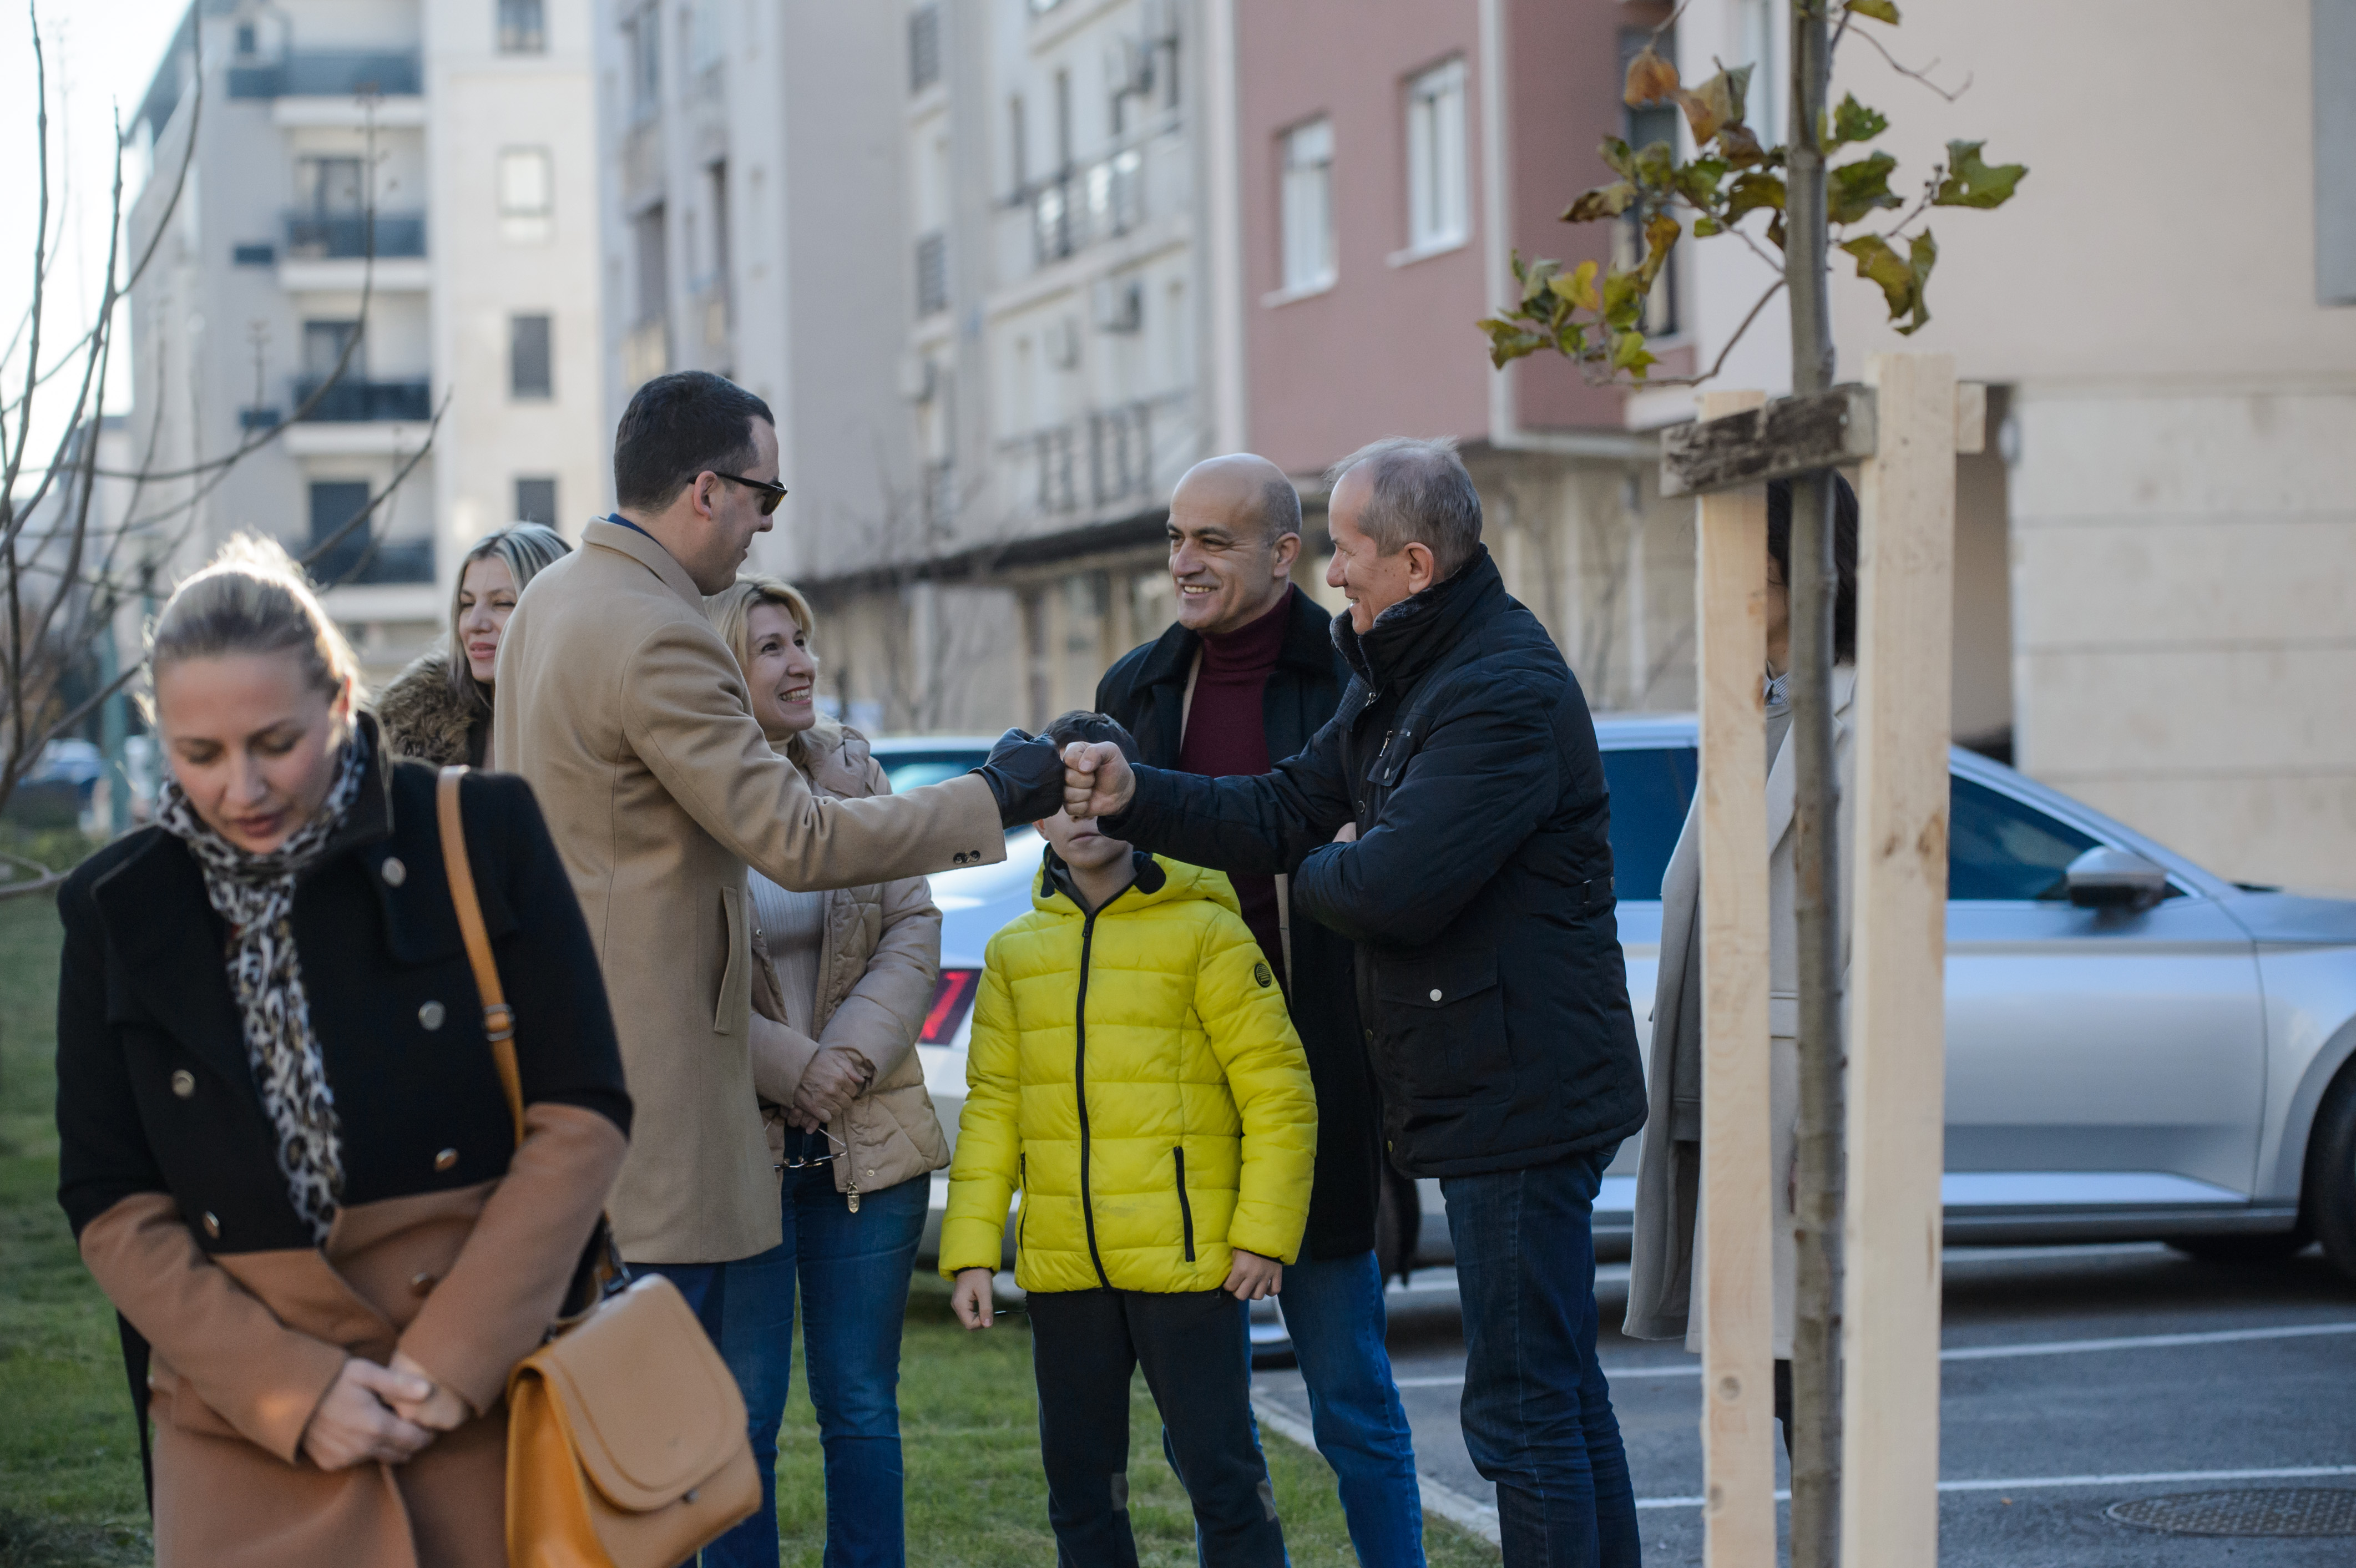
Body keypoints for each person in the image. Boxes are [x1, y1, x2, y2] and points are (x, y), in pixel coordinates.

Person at [1063, 438, 1649, 1567]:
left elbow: (1388, 886)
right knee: (1555, 1396)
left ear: (1415, 564)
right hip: (1493, 1083)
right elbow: (1285, 806)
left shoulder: (1496, 689)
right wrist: (1140, 796)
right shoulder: (1408, 670)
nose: (1334, 574)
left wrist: (1330, 861)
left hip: (1518, 1090)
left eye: (1347, 550)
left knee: (1522, 1412)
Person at [53, 536, 630, 1567]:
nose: (241, 789)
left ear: (339, 698)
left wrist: (450, 1366)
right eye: (200, 755)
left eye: (275, 742)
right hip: (244, 1435)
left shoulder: (476, 830)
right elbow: (111, 1201)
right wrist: (292, 1389)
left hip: (494, 1405)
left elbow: (581, 1109)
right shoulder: (117, 909)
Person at [491, 370, 1064, 1345]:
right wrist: (999, 795)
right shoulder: (660, 633)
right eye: (767, 497)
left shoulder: (551, 600)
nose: (766, 525)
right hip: (667, 1118)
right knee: (692, 1454)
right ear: (707, 490)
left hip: (577, 1084)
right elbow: (798, 837)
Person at [1094, 453, 1423, 1565]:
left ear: (1285, 556)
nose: (1182, 562)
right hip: (1178, 1094)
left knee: (1349, 1394)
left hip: (1317, 1079)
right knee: (1203, 1415)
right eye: (1174, 539)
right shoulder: (1132, 689)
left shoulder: (1351, 680)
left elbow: (1373, 866)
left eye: (1212, 542)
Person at [942, 711, 1318, 1568]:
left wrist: (1261, 1234)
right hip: (1067, 1268)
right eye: (1058, 799)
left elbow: (1279, 1093)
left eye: (1092, 795)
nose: (1079, 817)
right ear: (1037, 816)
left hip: (1190, 1271)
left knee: (1221, 1477)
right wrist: (970, 1250)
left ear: (1127, 796)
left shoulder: (1207, 930)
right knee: (1080, 1488)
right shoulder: (1013, 954)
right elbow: (994, 1107)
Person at [699, 574, 951, 1568]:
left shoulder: (851, 773)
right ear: (719, 666)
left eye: (800, 643)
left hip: (866, 1137)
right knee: (741, 1417)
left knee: (860, 1410)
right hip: (736, 1147)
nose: (800, 663)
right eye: (769, 647)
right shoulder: (679, 793)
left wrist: (840, 1062)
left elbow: (912, 925)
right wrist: (791, 1067)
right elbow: (676, 976)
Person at [1623, 474, 1862, 1451]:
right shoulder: (1740, 708)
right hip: (1712, 1097)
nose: (1712, 575)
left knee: (1810, 1396)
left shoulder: (1861, 718)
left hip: (1788, 1105)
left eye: (1736, 551)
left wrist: (1827, 1124)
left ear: (1803, 564)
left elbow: (1864, 948)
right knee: (1758, 1390)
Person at [375, 522, 571, 769]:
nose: (474, 624)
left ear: (554, 610)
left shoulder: (598, 722)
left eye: (502, 603)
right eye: (467, 605)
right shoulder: (408, 730)